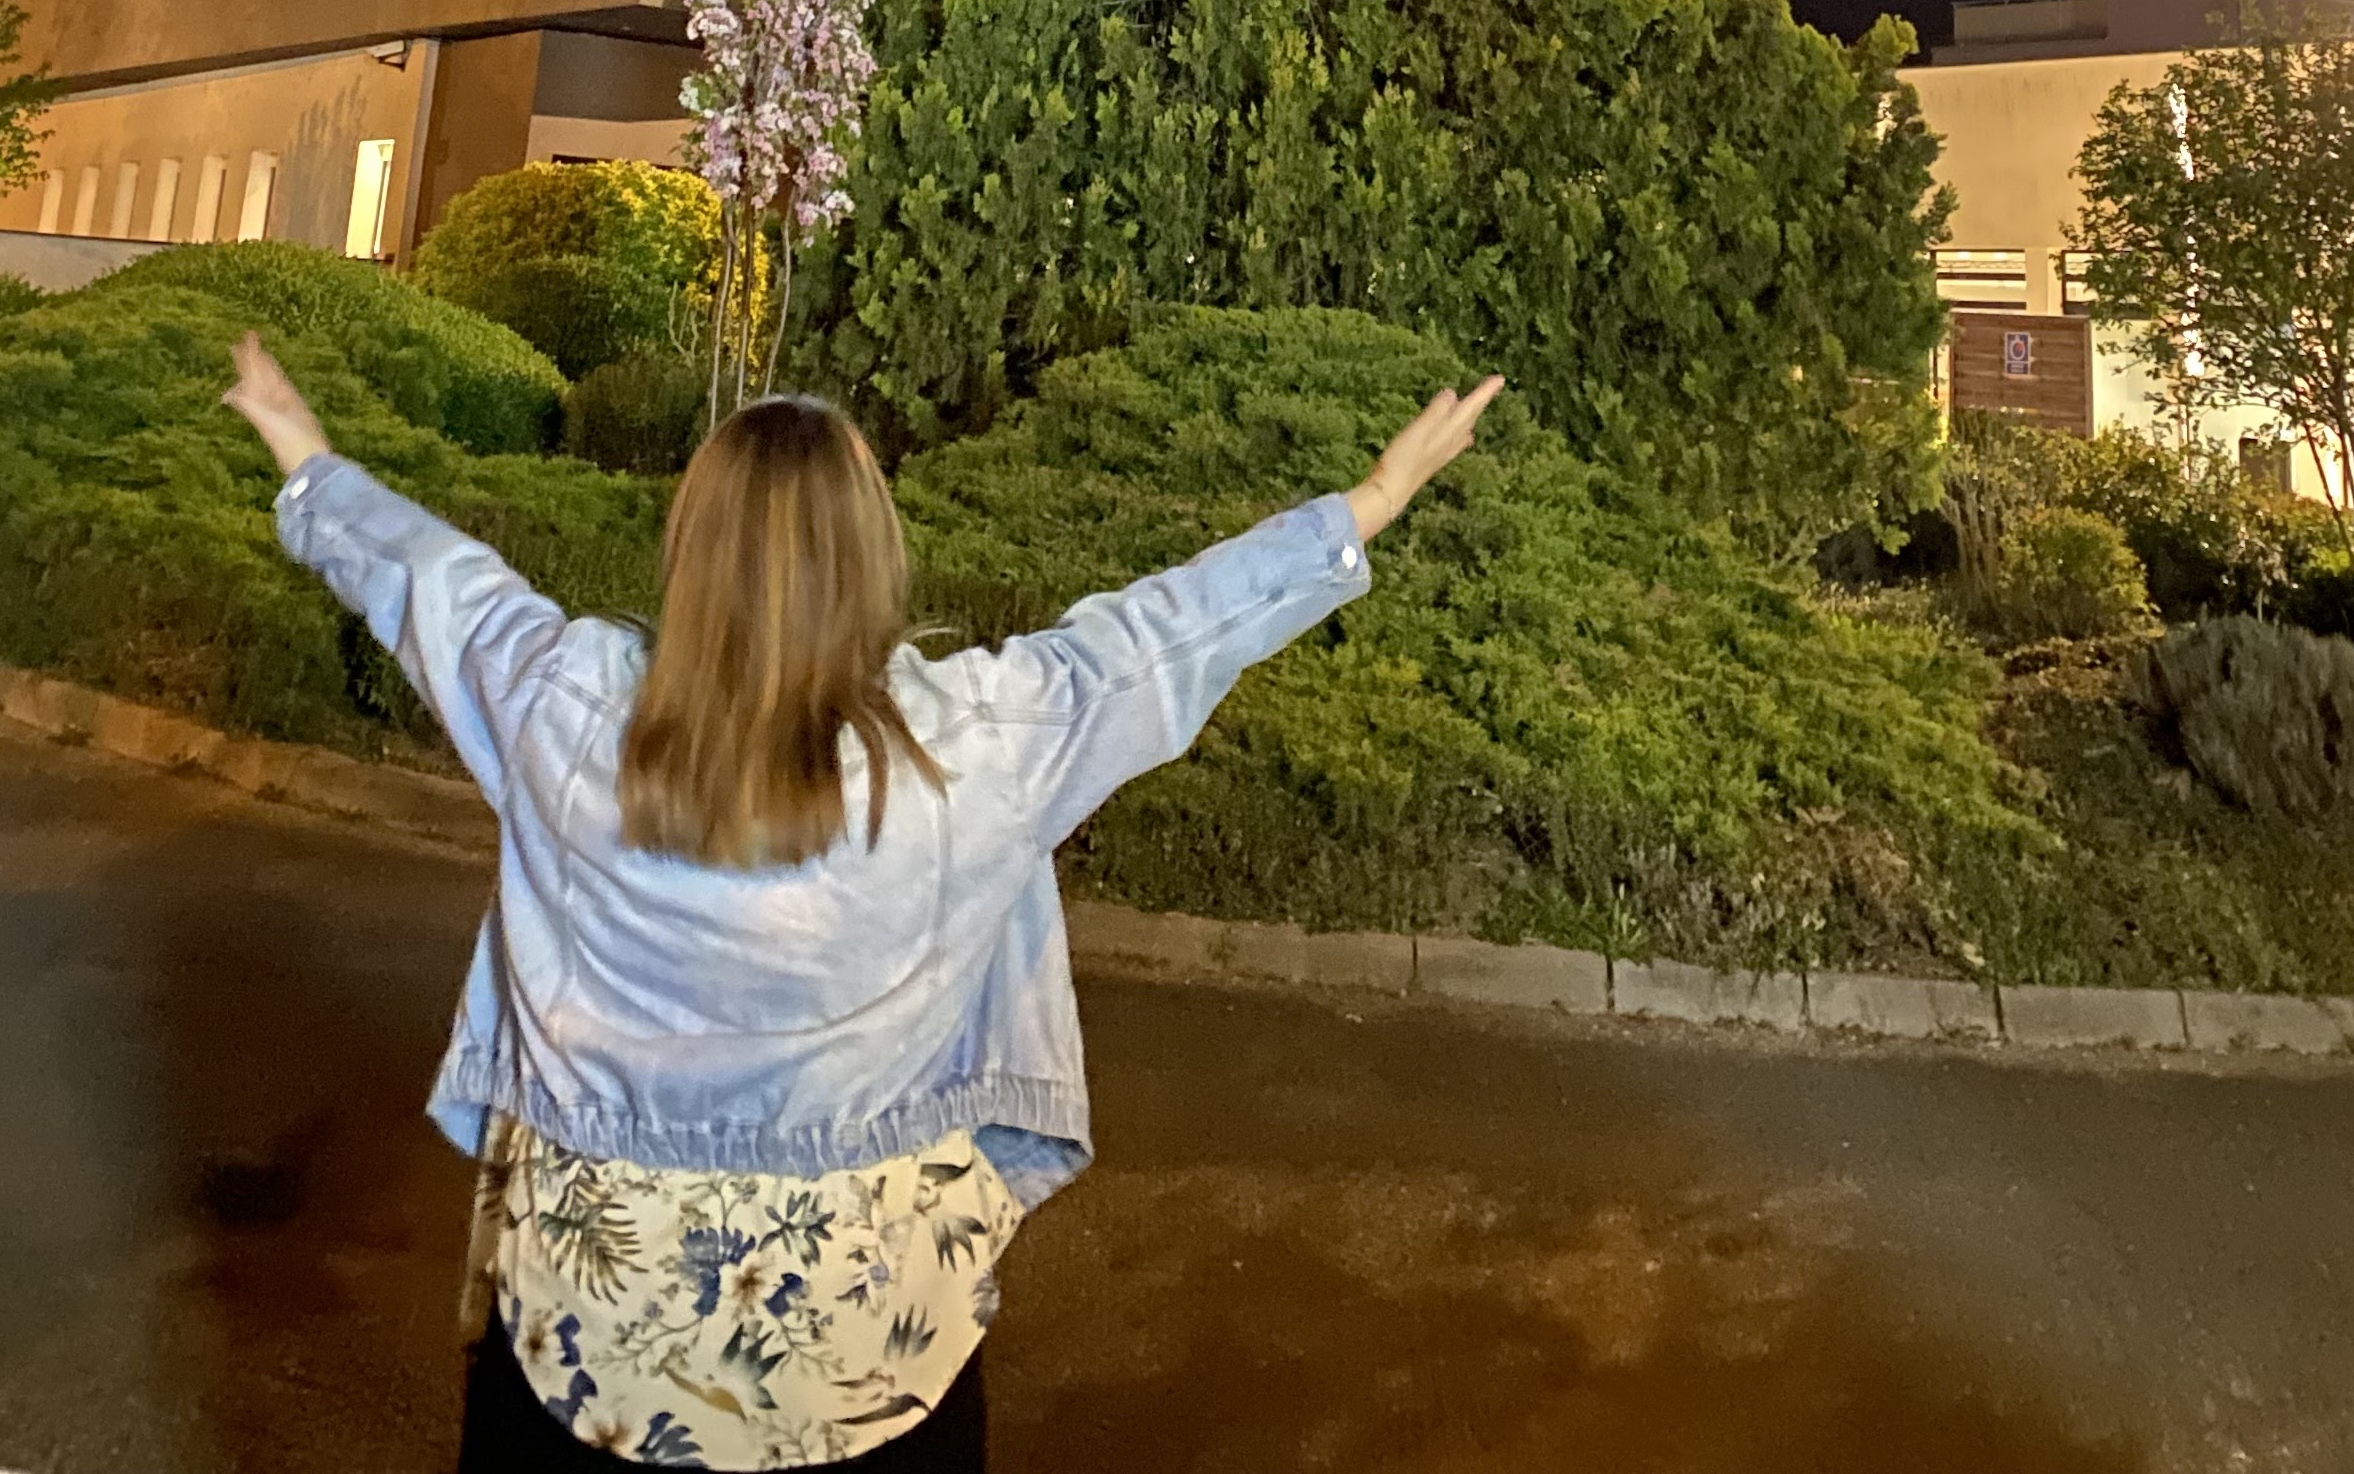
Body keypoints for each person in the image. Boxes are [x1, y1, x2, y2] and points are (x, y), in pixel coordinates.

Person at [226, 329, 1500, 1467]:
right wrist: (1367, 505)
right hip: (874, 1353)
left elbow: (434, 584)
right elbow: (1153, 641)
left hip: (591, 1348)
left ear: (690, 552)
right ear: (872, 557)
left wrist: (306, 459)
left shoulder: (566, 709)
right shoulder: (970, 746)